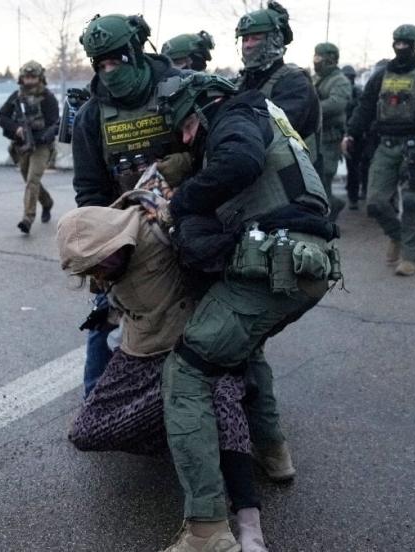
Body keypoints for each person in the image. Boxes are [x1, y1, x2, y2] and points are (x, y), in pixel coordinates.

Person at [150, 73, 339, 552]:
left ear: (203, 107)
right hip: (307, 263)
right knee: (243, 349)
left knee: (187, 370)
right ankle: (274, 454)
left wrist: (179, 204)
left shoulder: (235, 115)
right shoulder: (266, 114)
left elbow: (238, 162)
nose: (186, 140)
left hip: (276, 265)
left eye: (186, 128)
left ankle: (206, 531)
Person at [57, 197, 268, 552]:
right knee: (85, 432)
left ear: (115, 243)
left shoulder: (164, 232)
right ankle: (185, 432)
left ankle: (250, 527)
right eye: (89, 269)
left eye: (98, 263)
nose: (97, 274)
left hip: (196, 351)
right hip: (140, 351)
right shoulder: (105, 266)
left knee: (220, 399)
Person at [73, 13, 185, 397]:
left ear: (135, 52)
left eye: (115, 61)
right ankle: (95, 400)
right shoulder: (91, 116)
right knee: (105, 316)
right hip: (125, 236)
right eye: (100, 64)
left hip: (185, 228)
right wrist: (106, 247)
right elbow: (89, 190)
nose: (109, 71)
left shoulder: (180, 92)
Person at [343, 24, 415, 276]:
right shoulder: (380, 76)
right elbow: (365, 107)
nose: (401, 47)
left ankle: (409, 257)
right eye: (397, 42)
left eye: (406, 43)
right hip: (386, 144)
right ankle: (397, 235)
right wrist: (350, 133)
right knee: (375, 203)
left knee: (411, 202)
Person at [234, 2, 321, 164]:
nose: (248, 45)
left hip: (289, 175)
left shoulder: (294, 83)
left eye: (255, 38)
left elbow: (272, 130)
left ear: (275, 39)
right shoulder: (243, 81)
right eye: (244, 39)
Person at [0, 60, 59, 234]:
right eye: (26, 77)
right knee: (30, 181)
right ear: (21, 78)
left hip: (41, 146)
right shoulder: (16, 97)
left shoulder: (47, 98)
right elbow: (0, 118)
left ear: (40, 78)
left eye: (33, 77)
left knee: (32, 180)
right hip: (22, 145)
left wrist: (42, 135)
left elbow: (55, 124)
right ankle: (47, 202)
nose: (29, 81)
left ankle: (27, 219)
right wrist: (16, 128)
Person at [313, 42, 352, 220]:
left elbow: (336, 104)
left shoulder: (339, 81)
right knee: (315, 178)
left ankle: (328, 212)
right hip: (315, 135)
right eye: (315, 56)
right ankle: (329, 206)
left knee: (325, 175)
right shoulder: (316, 79)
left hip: (330, 136)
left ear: (330, 59)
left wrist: (311, 107)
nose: (316, 61)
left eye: (319, 57)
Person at [341, 64, 367, 210]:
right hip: (344, 131)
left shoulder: (357, 92)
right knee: (353, 167)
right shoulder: (344, 91)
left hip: (355, 134)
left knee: (355, 166)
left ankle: (354, 196)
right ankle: (353, 196)